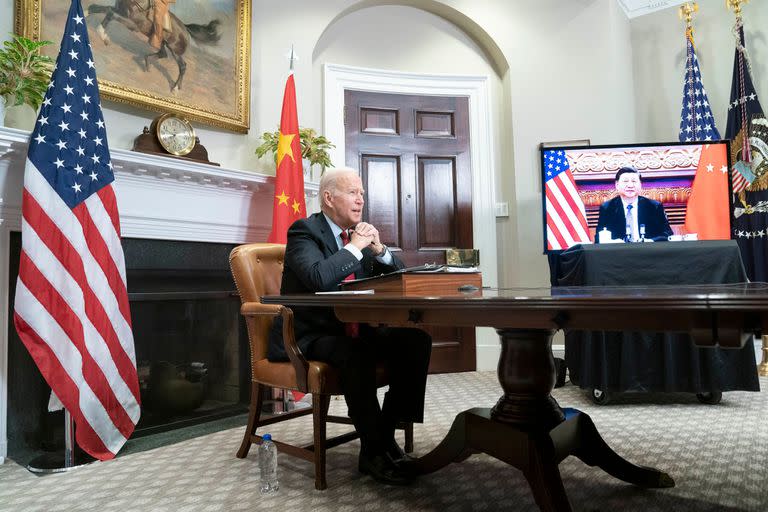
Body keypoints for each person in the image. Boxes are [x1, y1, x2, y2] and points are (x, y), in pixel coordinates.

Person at [267, 167, 432, 486]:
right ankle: (374, 452)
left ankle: (383, 435)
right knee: (356, 354)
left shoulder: (358, 236)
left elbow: (399, 279)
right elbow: (318, 277)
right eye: (353, 193)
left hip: (357, 328)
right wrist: (355, 247)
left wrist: (380, 252)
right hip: (312, 334)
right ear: (329, 198)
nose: (361, 200)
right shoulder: (304, 232)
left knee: (415, 341)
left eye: (362, 194)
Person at [595, 167, 672, 242]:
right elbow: (598, 238)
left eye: (634, 181)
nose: (630, 185)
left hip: (648, 252)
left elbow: (667, 234)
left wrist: (650, 241)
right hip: (619, 253)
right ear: (617, 185)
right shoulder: (607, 208)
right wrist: (614, 242)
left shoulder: (654, 206)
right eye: (625, 181)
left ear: (640, 185)